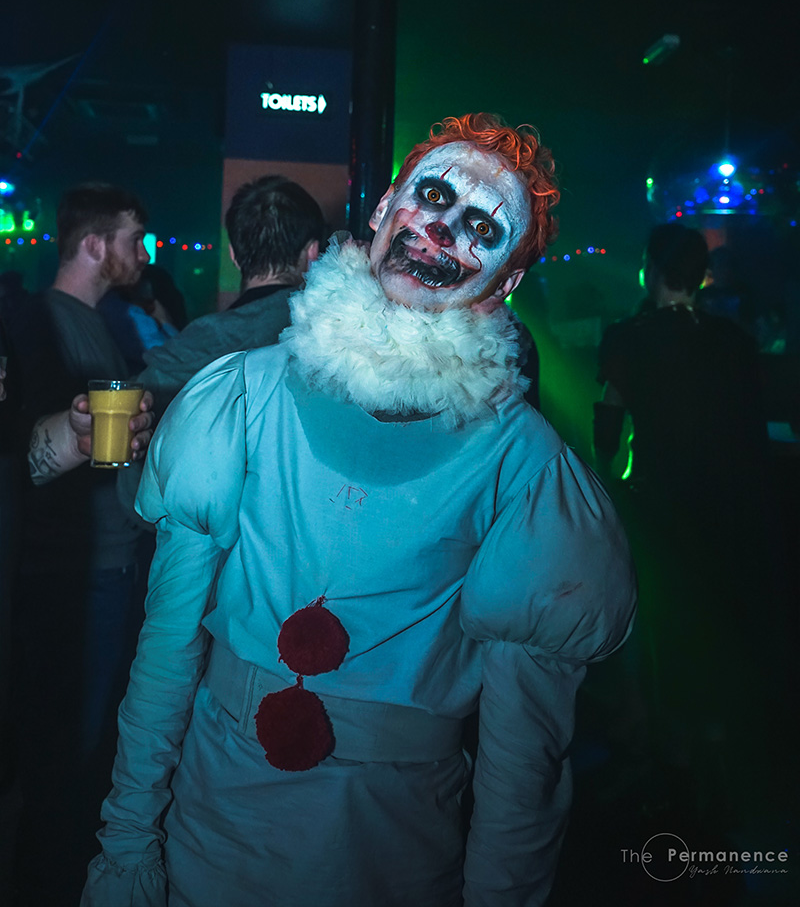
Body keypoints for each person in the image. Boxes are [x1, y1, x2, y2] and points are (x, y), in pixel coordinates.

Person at [83, 115, 636, 907]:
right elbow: (165, 651)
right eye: (434, 196)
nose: (442, 229)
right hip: (211, 832)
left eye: (482, 229)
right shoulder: (242, 395)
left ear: (507, 281)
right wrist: (128, 845)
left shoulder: (524, 469)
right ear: (382, 210)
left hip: (388, 851)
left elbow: (523, 767)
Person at [7, 182, 155, 906]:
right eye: (133, 239)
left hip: (109, 562)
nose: (144, 253)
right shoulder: (40, 325)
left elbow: (104, 449)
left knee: (88, 743)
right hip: (74, 571)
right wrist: (76, 439)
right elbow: (27, 462)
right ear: (95, 245)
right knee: (67, 751)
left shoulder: (107, 324)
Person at [593, 222, 771, 818]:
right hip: (727, 511)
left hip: (657, 509)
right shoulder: (734, 341)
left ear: (649, 269)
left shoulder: (629, 337)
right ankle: (712, 757)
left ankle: (657, 762)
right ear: (702, 274)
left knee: (652, 633)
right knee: (711, 624)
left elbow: (608, 433)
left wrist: (611, 487)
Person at [115, 174, 325, 515]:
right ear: (313, 253)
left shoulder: (196, 344)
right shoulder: (337, 341)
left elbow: (135, 485)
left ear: (234, 255)